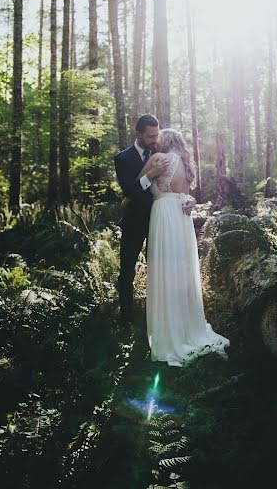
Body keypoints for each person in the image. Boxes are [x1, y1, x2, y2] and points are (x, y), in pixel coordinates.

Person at [137, 128, 230, 367]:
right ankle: (187, 327)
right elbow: (187, 196)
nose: (155, 144)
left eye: (159, 140)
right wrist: (192, 200)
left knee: (165, 270)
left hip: (165, 214)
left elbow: (137, 184)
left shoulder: (159, 160)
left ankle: (169, 332)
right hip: (182, 217)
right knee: (182, 270)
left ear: (166, 140)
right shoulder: (187, 165)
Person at [113, 114, 169, 326]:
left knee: (158, 269)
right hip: (133, 223)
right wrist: (151, 174)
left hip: (158, 221)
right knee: (127, 270)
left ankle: (154, 315)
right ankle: (126, 316)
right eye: (150, 136)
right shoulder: (123, 158)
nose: (155, 140)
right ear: (138, 134)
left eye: (156, 135)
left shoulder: (161, 154)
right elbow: (130, 190)